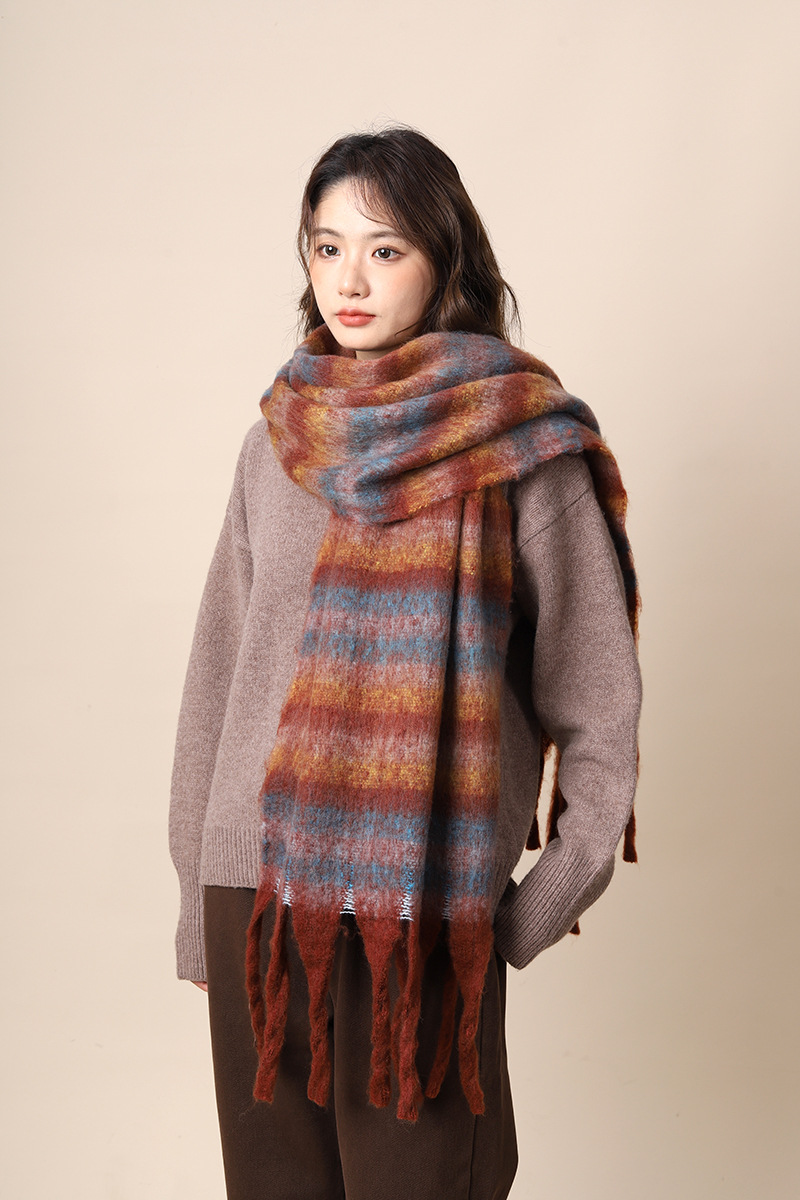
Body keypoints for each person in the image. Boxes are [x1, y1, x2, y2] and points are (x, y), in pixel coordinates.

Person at [169, 126, 642, 1200]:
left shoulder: (520, 447)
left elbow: (597, 699)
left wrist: (542, 896)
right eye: (326, 246)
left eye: (383, 250)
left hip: (418, 903)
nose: (348, 279)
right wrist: (197, 899)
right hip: (258, 901)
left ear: (443, 259)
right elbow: (217, 674)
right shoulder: (275, 442)